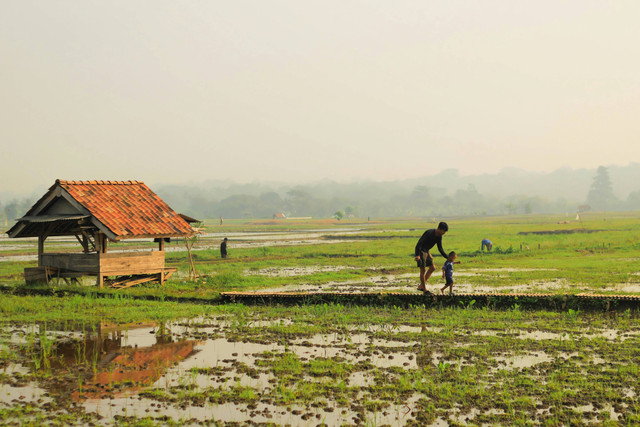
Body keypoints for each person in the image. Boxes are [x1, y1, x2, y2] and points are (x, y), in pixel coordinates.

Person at [414, 221, 449, 293]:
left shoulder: (439, 236)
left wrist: (447, 257)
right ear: (439, 228)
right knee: (423, 270)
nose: (444, 233)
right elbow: (419, 244)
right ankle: (424, 290)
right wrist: (417, 255)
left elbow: (440, 248)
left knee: (433, 268)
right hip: (421, 250)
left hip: (427, 251)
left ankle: (421, 286)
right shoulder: (429, 233)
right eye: (444, 231)